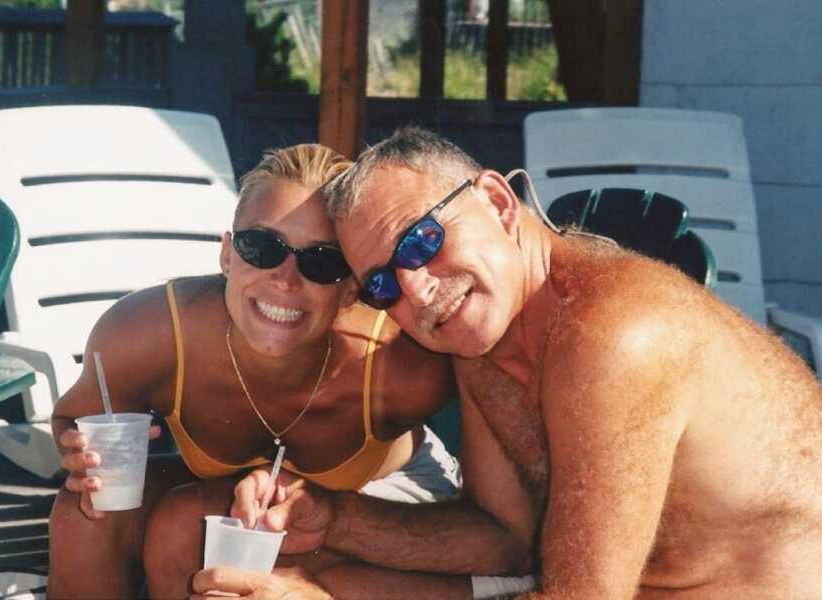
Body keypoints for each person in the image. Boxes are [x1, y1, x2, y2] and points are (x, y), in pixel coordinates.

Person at [193, 127, 822, 599]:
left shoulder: (618, 333)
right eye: (382, 283)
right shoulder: (484, 340)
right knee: (297, 572)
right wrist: (331, 519)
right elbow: (505, 538)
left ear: (496, 202)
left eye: (423, 241)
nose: (415, 290)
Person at [47, 143, 465, 599]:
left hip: (380, 497)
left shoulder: (397, 358)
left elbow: (502, 499)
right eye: (261, 247)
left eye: (321, 261)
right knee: (84, 514)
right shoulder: (149, 334)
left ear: (350, 287)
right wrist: (79, 455)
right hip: (227, 493)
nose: (284, 280)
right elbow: (76, 421)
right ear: (227, 254)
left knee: (187, 530)